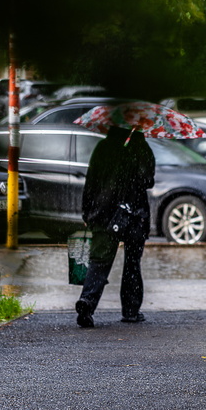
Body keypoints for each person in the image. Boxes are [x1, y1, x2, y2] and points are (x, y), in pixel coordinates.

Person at [75, 126, 156, 328]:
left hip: (104, 213)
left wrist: (87, 212)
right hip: (134, 214)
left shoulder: (103, 147)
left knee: (99, 261)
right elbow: (147, 180)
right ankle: (130, 311)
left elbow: (91, 180)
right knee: (132, 264)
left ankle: (87, 302)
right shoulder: (140, 147)